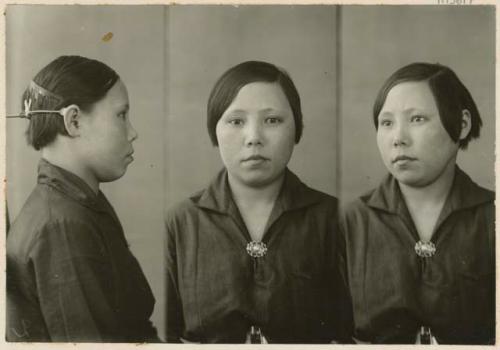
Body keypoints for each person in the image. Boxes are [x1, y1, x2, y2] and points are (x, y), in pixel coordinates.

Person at [164, 61, 350, 343]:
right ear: (214, 129)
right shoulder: (182, 221)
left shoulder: (335, 219)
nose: (254, 138)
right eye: (236, 121)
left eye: (272, 120)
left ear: (297, 128)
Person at [339, 62, 494, 344]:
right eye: (386, 123)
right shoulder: (351, 221)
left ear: (461, 124)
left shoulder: (491, 217)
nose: (398, 138)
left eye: (417, 119)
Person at [7, 55, 159, 342]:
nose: (133, 133)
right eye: (121, 115)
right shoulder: (62, 225)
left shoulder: (76, 205)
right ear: (74, 121)